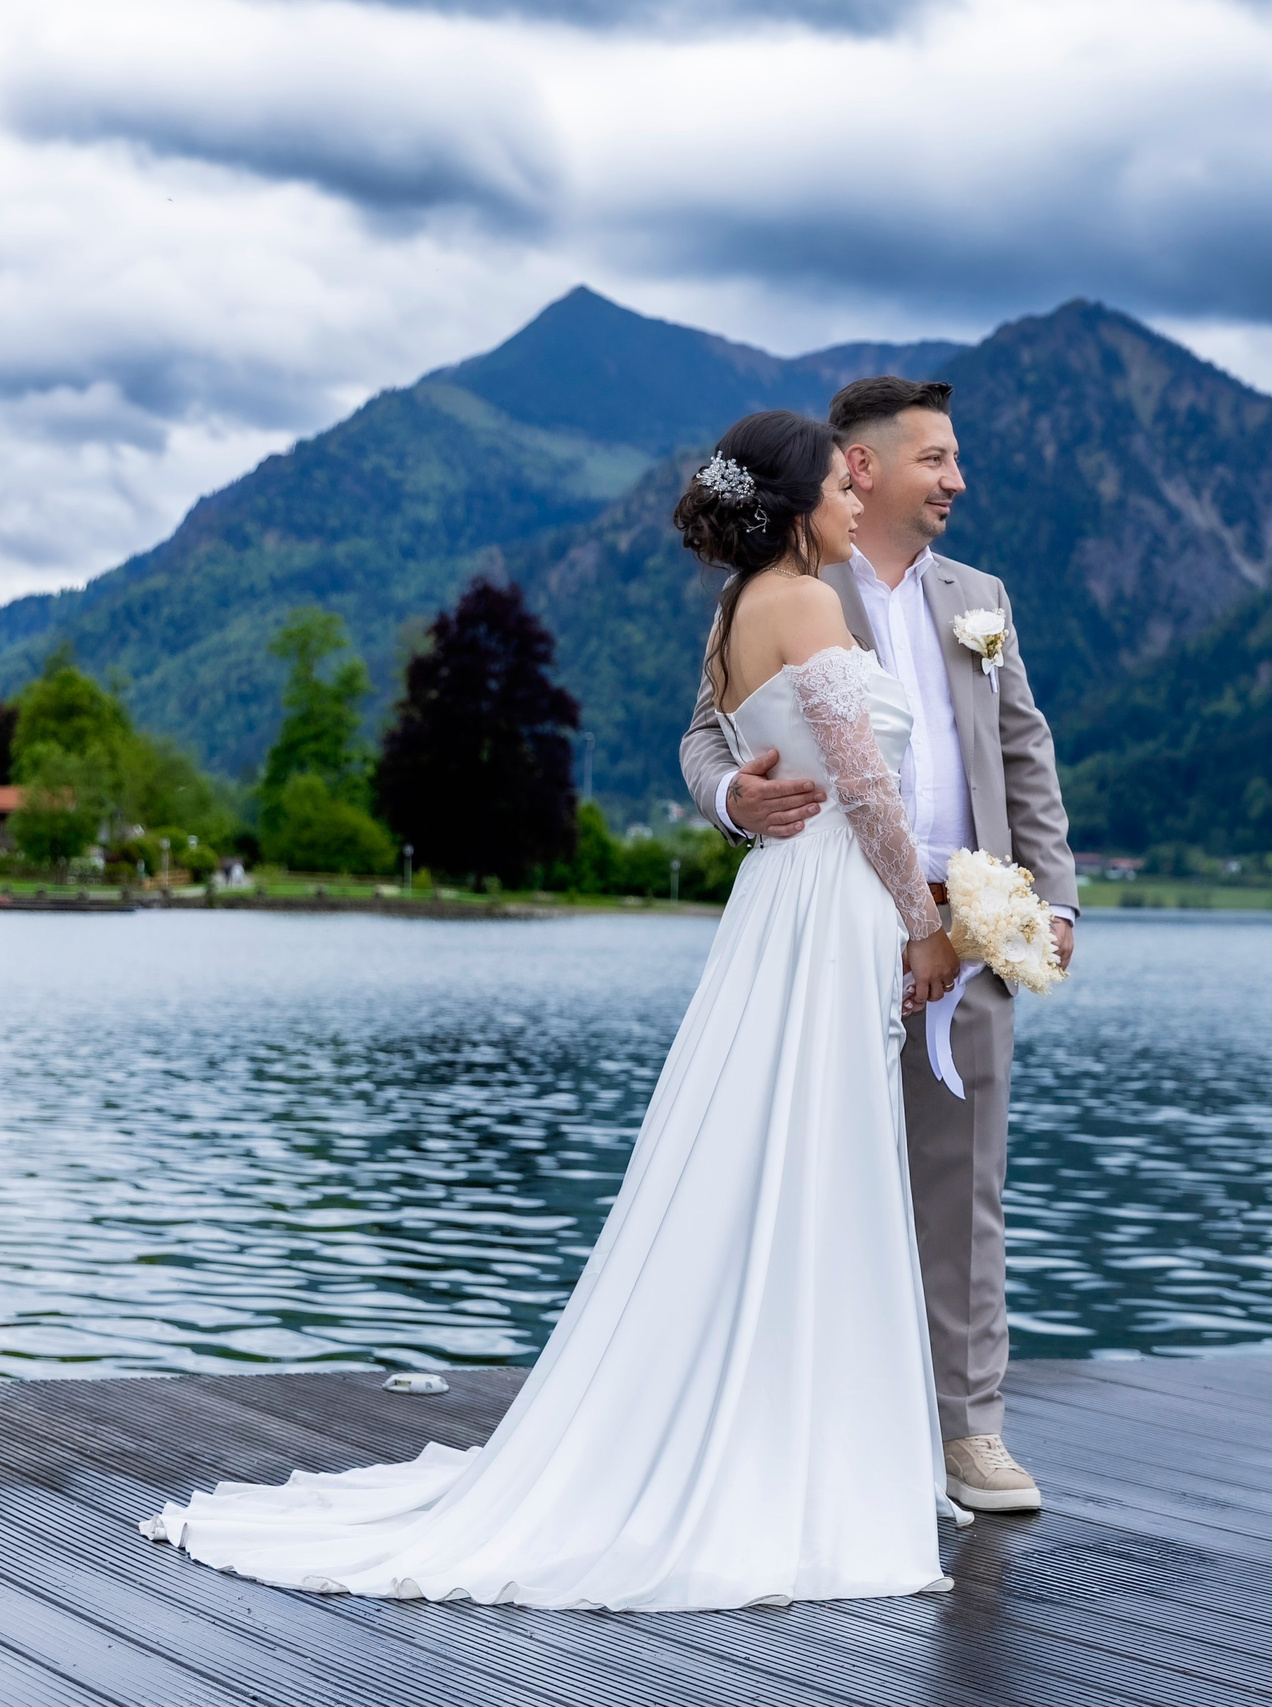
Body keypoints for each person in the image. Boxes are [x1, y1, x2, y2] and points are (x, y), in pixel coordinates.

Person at [138, 412, 968, 1610]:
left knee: (778, 1157)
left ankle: (787, 1428)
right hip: (823, 900)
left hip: (787, 906)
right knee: (808, 1156)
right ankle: (796, 1452)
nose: (856, 501)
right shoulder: (803, 602)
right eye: (841, 487)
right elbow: (868, 789)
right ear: (796, 503)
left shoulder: (738, 606)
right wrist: (923, 920)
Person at [679, 376, 1076, 1514]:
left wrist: (1052, 902)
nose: (957, 480)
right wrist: (732, 800)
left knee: (967, 1193)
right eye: (936, 459)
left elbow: (1026, 753)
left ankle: (969, 1432)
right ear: (859, 468)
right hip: (847, 922)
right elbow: (708, 734)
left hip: (972, 921)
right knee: (817, 1167)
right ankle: (813, 1425)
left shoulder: (980, 598)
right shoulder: (793, 580)